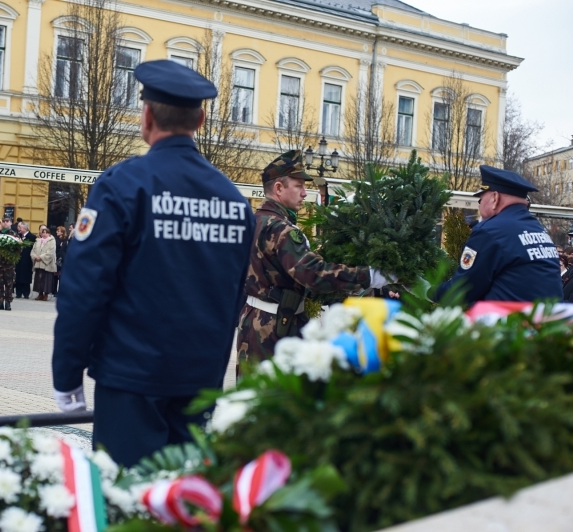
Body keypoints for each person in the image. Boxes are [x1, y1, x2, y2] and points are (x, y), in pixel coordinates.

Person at [51, 59, 255, 467]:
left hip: (132, 377)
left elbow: (84, 288)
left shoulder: (123, 185)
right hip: (200, 380)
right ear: (200, 120)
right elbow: (235, 294)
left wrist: (68, 374)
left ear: (146, 117)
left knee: (129, 495)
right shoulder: (234, 201)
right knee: (185, 495)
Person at [236, 150, 395, 365]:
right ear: (279, 188)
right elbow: (313, 274)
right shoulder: (281, 229)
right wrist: (370, 275)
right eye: (299, 186)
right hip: (275, 329)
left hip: (254, 322)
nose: (304, 193)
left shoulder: (255, 221)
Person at [435, 165, 563, 305]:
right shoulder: (538, 229)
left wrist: (429, 292)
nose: (479, 206)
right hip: (546, 317)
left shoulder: (489, 231)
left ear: (495, 198)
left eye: (480, 200)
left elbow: (462, 290)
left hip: (509, 317)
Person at [0, 218, 17, 310]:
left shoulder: (13, 234)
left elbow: (19, 246)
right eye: (4, 221)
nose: (5, 223)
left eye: (7, 221)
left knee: (9, 283)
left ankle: (8, 302)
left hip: (9, 264)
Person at [30, 225, 56, 301]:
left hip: (47, 263)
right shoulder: (37, 241)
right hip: (38, 263)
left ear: (49, 234)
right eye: (43, 232)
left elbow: (51, 252)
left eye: (46, 233)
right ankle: (40, 294)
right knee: (39, 279)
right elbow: (33, 250)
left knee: (46, 279)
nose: (44, 234)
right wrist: (35, 257)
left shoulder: (52, 241)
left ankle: (46, 294)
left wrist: (41, 257)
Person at [15, 221, 36, 299]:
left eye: (20, 227)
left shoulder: (32, 237)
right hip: (18, 259)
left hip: (27, 260)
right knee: (18, 275)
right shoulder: (18, 236)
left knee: (26, 276)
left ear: (25, 228)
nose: (18, 229)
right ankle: (18, 292)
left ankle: (26, 292)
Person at [52, 225, 68, 296]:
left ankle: (60, 290)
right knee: (55, 276)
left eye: (58, 231)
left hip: (63, 259)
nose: (57, 232)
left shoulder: (66, 239)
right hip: (56, 258)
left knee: (61, 276)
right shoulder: (55, 239)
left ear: (62, 232)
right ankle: (54, 290)